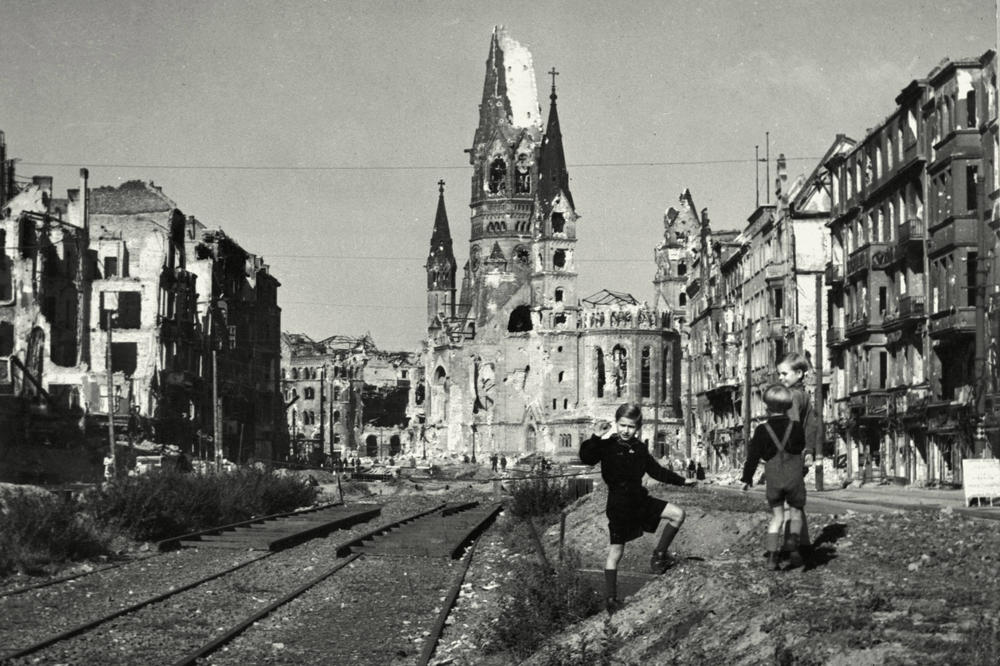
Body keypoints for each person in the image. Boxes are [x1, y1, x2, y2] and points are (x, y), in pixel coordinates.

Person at [579, 402, 695, 614]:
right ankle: (611, 599)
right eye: (622, 425)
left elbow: (657, 471)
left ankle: (659, 556)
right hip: (619, 507)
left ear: (638, 428)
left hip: (640, 501)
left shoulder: (640, 449)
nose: (626, 430)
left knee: (678, 514)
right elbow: (587, 458)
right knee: (616, 552)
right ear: (616, 424)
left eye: (631, 426)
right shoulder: (606, 446)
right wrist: (596, 436)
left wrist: (682, 481)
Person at [741, 385, 808, 570]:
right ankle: (793, 545)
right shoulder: (796, 427)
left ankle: (772, 557)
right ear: (788, 406)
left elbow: (753, 457)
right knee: (795, 514)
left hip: (774, 478)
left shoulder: (762, 430)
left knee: (777, 517)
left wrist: (747, 479)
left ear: (767, 407)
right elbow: (800, 448)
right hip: (794, 476)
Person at [777, 352, 818, 555]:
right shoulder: (805, 396)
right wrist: (809, 451)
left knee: (788, 505)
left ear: (799, 373)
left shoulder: (791, 397)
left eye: (784, 374)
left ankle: (792, 545)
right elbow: (811, 425)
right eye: (779, 374)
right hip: (800, 455)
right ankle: (804, 543)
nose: (780, 378)